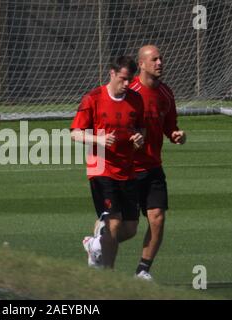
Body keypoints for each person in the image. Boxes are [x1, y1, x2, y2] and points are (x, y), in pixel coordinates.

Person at [71, 56, 145, 269]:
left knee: (130, 228)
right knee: (113, 224)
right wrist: (99, 139)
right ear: (111, 73)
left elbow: (141, 130)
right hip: (101, 168)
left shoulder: (135, 100)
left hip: (127, 169)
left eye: (129, 80)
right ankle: (108, 274)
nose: (126, 84)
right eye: (122, 79)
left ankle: (95, 244)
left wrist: (140, 138)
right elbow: (75, 134)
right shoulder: (93, 98)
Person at [128, 45, 186, 280]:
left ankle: (142, 271)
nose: (160, 62)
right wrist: (129, 139)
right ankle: (96, 244)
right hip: (128, 170)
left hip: (153, 167)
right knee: (124, 228)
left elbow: (170, 127)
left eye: (161, 58)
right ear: (141, 64)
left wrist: (176, 135)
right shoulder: (130, 92)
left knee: (157, 218)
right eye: (154, 59)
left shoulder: (166, 94)